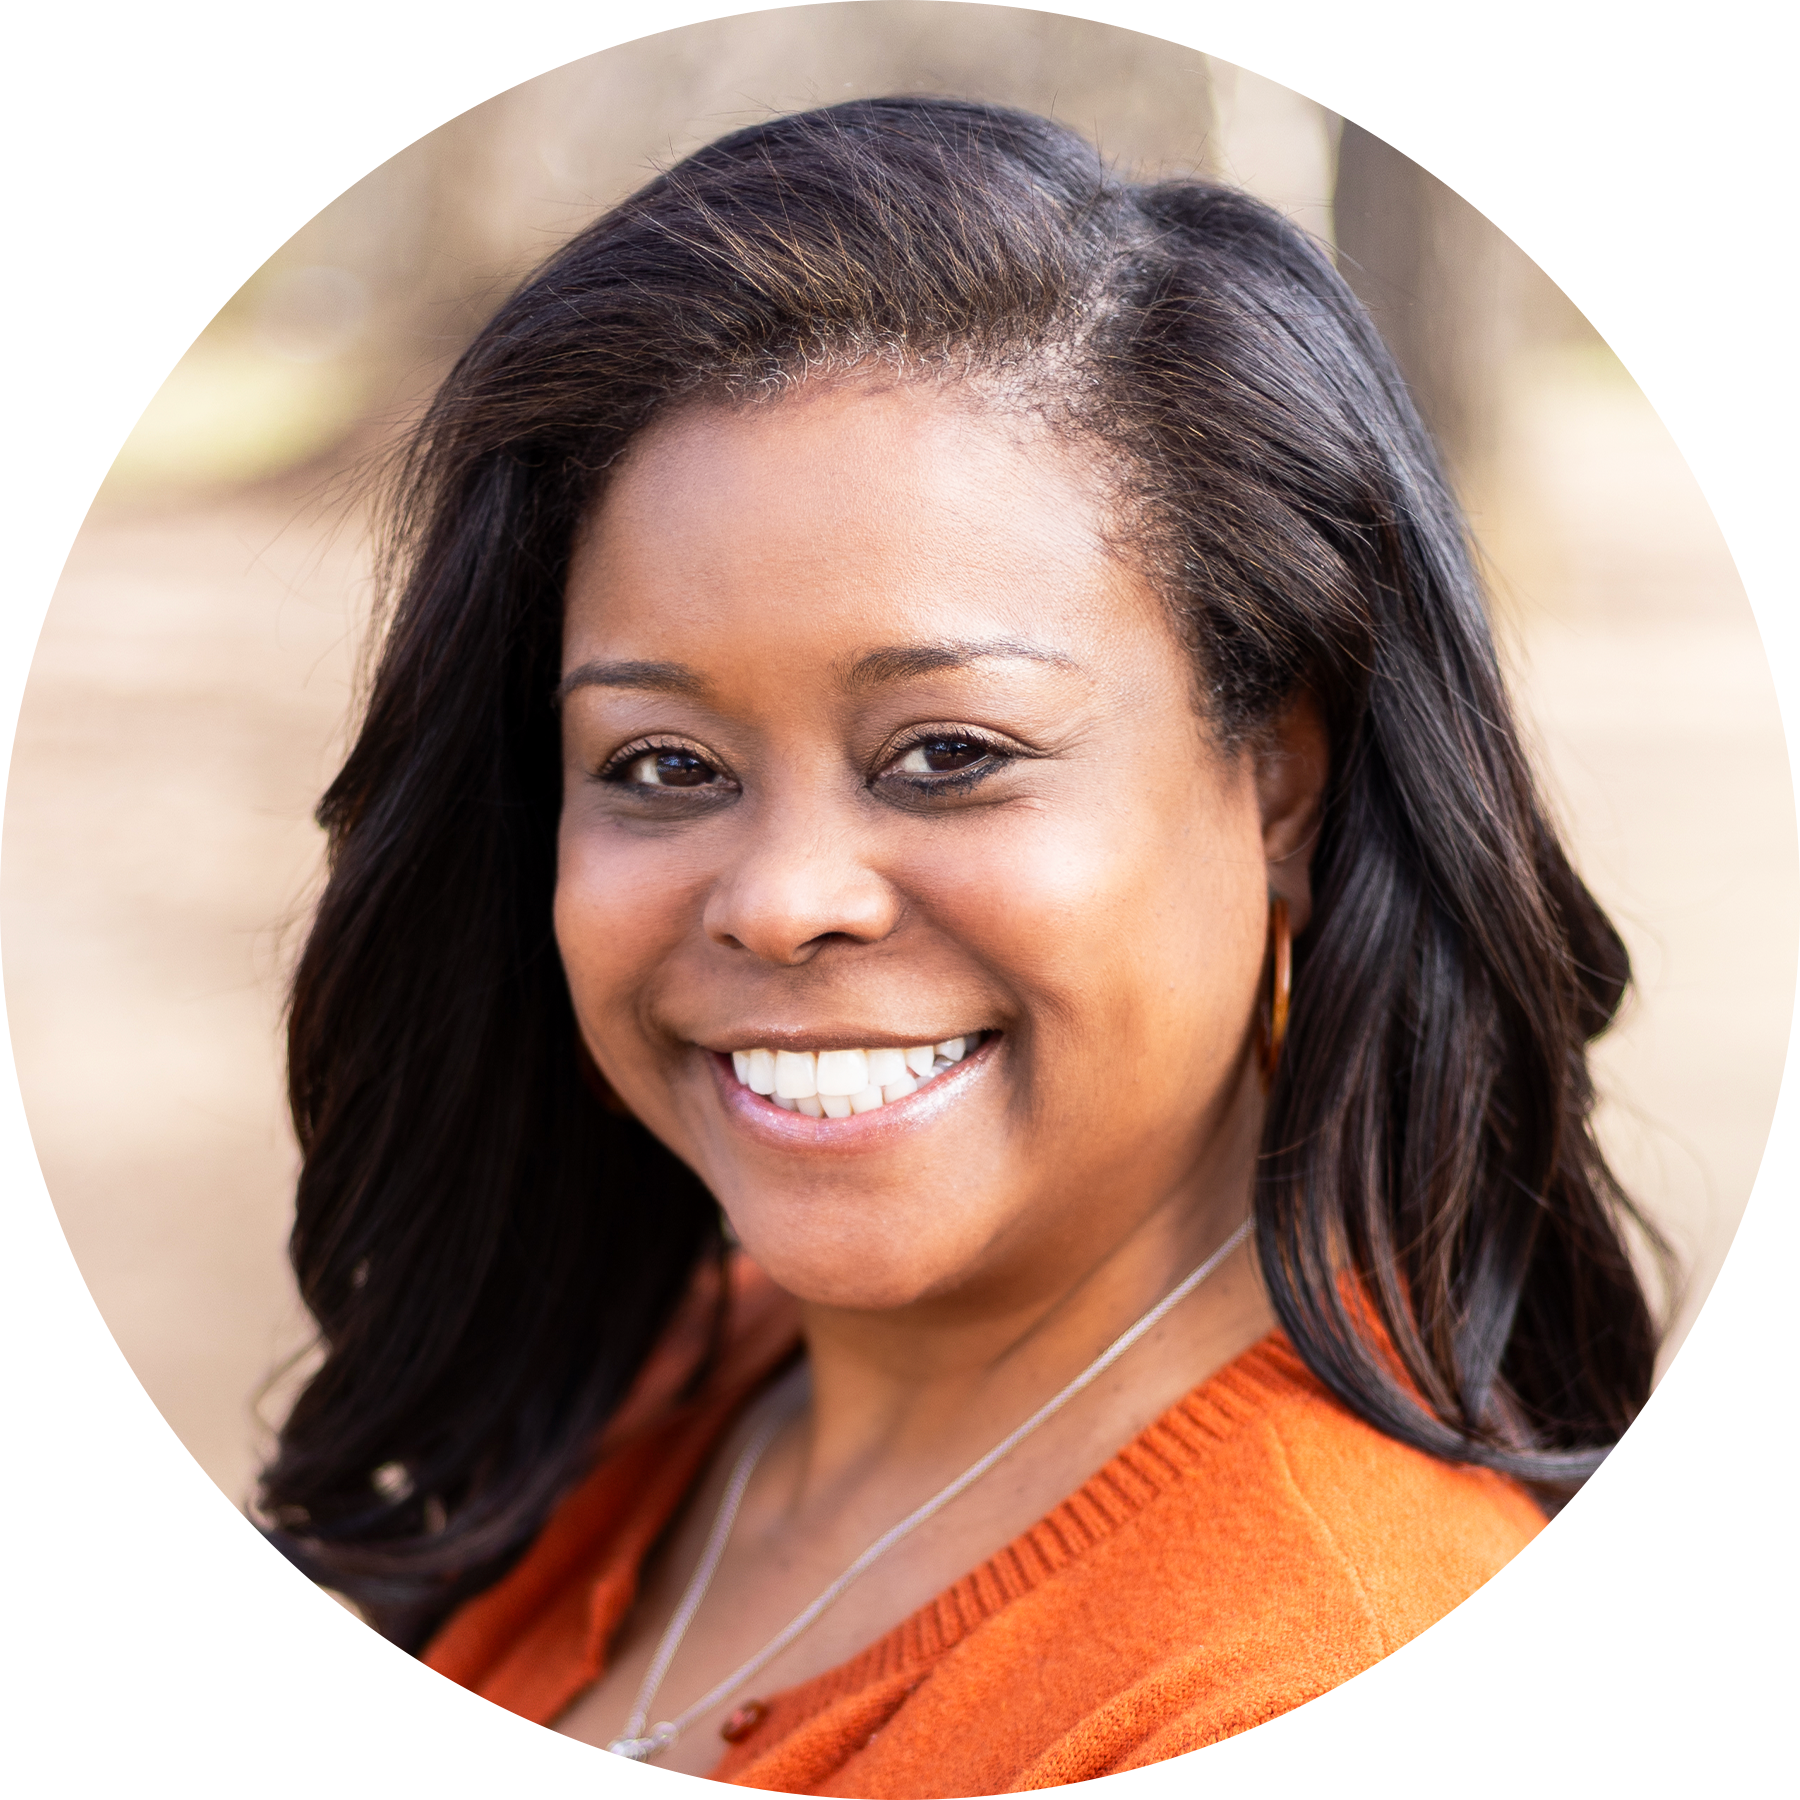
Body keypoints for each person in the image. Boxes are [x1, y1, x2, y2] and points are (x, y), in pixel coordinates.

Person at [261, 98, 1703, 1797]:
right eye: (663, 766)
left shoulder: (1338, 1723)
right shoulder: (651, 1388)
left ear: (1283, 793)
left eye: (950, 754)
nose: (786, 897)